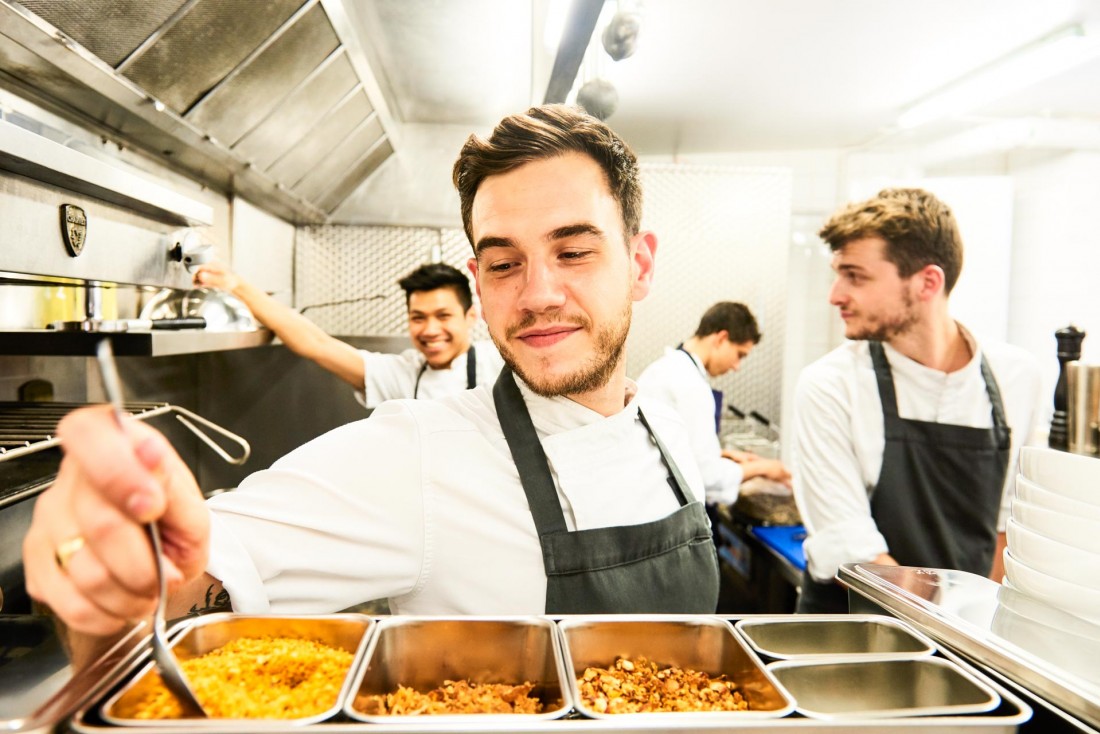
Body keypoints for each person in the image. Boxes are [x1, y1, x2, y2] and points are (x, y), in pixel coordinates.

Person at [23, 104, 721, 636]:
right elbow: (193, 571)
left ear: (641, 264)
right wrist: (109, 564)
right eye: (506, 264)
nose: (537, 293)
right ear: (481, 283)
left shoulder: (668, 421)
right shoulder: (423, 451)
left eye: (574, 252)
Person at [791, 187, 1045, 614]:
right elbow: (849, 544)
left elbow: (1009, 528)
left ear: (928, 282)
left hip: (965, 630)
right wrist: (955, 625)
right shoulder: (830, 384)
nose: (835, 294)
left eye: (855, 276)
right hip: (851, 629)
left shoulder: (1017, 377)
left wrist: (982, 638)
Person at [193, 262, 504, 407]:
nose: (430, 330)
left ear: (470, 316)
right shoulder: (404, 374)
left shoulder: (500, 364)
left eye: (443, 316)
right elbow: (315, 343)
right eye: (418, 318)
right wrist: (236, 287)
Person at [637, 302, 790, 505]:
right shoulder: (690, 385)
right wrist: (765, 468)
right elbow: (706, 476)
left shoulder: (665, 369)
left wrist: (723, 455)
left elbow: (671, 447)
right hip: (670, 506)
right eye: (740, 354)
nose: (737, 367)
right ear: (722, 338)